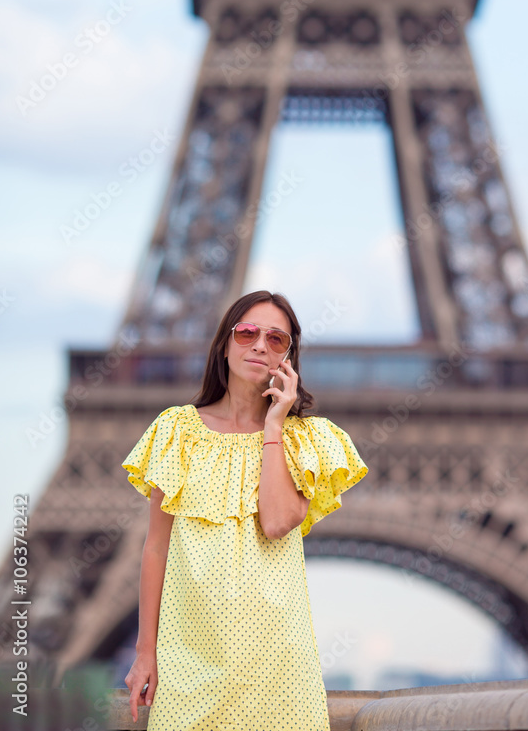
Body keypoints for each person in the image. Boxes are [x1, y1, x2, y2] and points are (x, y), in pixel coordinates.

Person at [121, 289, 369, 730]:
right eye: (248, 332)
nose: (259, 344)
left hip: (277, 665)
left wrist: (274, 424)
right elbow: (156, 548)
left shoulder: (301, 439)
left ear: (289, 359)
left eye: (277, 339)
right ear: (224, 343)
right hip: (189, 662)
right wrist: (146, 652)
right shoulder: (176, 430)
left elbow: (276, 523)